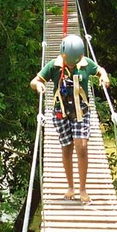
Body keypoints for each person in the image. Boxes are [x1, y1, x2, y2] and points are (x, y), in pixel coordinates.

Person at [30, 34, 110, 204]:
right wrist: (39, 85)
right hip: (61, 112)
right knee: (67, 148)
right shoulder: (54, 65)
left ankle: (82, 189)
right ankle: (70, 186)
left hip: (81, 112)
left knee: (81, 147)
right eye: (70, 62)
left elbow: (100, 70)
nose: (73, 65)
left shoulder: (86, 64)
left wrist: (104, 77)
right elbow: (34, 81)